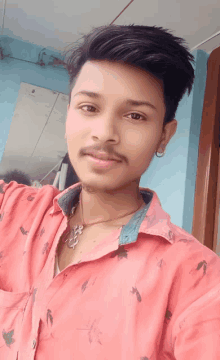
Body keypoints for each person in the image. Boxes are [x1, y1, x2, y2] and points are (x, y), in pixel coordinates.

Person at [0, 24, 219, 360]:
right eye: (89, 108)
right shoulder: (12, 209)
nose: (104, 133)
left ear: (164, 135)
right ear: (69, 113)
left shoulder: (197, 280)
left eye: (135, 115)